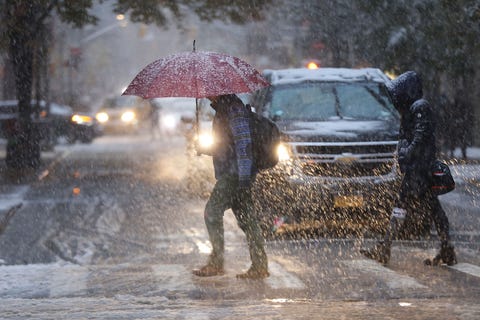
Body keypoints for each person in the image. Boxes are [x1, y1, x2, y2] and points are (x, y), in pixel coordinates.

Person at [361, 71, 457, 266]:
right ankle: (446, 248)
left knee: (403, 206)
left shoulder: (419, 106)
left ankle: (385, 248)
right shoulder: (413, 108)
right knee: (432, 208)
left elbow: (421, 135)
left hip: (419, 169)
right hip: (418, 168)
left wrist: (408, 152)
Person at [192, 93, 269, 279]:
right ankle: (259, 266)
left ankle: (216, 263)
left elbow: (244, 145)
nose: (206, 93)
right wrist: (204, 149)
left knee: (212, 212)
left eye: (208, 90)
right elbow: (225, 147)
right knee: (248, 219)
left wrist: (243, 177)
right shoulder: (223, 110)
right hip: (236, 173)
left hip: (235, 174)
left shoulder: (233, 109)